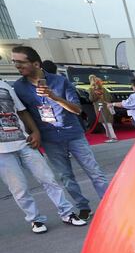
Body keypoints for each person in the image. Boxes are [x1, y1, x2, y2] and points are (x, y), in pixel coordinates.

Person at [12, 45, 109, 221]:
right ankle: (83, 206)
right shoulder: (18, 87)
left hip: (73, 134)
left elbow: (77, 110)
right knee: (65, 177)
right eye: (14, 62)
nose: (17, 66)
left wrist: (54, 97)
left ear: (36, 63)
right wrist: (33, 132)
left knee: (94, 171)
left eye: (21, 62)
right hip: (49, 138)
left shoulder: (59, 81)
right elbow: (23, 113)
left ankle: (109, 204)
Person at [0, 79, 86, 233]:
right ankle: (35, 219)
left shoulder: (4, 85)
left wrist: (35, 131)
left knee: (48, 178)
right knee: (19, 188)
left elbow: (22, 111)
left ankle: (67, 213)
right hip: (2, 152)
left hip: (24, 141)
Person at [88, 75, 117, 142]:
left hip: (100, 108)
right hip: (108, 106)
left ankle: (112, 136)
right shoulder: (104, 89)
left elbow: (91, 99)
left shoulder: (92, 90)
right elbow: (110, 98)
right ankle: (109, 135)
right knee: (108, 122)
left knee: (106, 123)